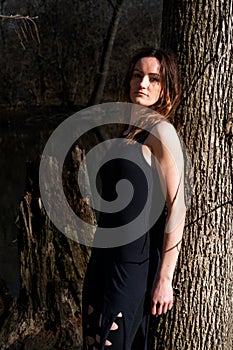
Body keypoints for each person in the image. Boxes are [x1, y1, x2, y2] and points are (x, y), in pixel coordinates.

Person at [82, 47, 186, 350]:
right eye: (137, 75)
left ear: (166, 87)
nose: (142, 83)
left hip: (131, 266)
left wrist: (165, 278)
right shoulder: (128, 129)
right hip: (102, 259)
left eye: (153, 78)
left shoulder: (161, 131)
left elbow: (177, 207)